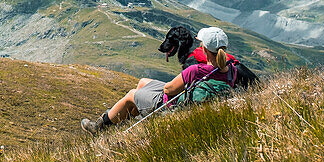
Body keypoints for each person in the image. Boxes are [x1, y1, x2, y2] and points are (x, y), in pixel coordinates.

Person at [81, 27, 237, 134]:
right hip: (187, 97)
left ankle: (99, 126)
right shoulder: (231, 69)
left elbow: (169, 90)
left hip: (170, 104)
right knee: (143, 82)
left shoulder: (196, 70)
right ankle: (126, 117)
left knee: (132, 94)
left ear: (203, 48)